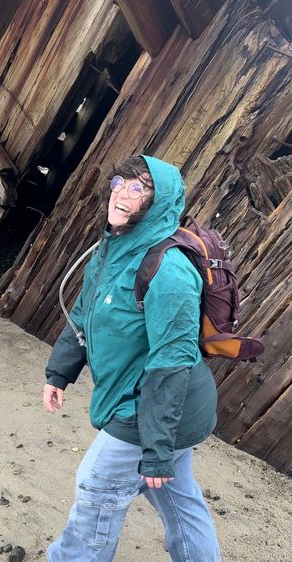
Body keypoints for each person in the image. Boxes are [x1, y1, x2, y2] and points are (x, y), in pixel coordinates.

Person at [43, 155, 222, 562]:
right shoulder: (113, 247)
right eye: (120, 182)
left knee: (97, 485)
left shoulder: (169, 270)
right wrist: (59, 373)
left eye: (139, 187)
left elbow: (170, 365)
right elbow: (85, 312)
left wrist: (156, 451)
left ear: (157, 203)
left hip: (157, 407)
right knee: (179, 501)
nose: (123, 192)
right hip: (164, 409)